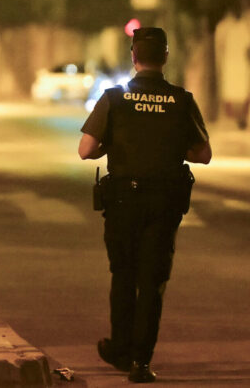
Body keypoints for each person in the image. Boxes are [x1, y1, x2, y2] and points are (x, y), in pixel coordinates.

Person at [78, 27, 212, 383]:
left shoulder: (115, 98)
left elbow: (86, 150)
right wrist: (169, 148)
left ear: (133, 57)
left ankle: (120, 350)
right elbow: (203, 154)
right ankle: (141, 362)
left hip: (123, 200)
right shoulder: (181, 100)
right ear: (165, 57)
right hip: (165, 202)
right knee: (152, 282)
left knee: (123, 275)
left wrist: (113, 145)